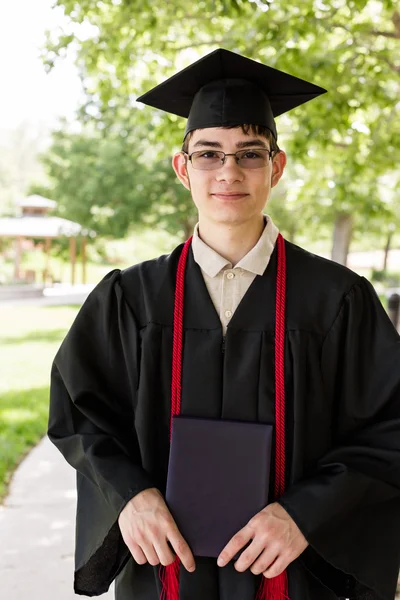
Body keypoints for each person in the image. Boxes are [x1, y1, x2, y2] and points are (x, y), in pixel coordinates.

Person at [48, 48, 400, 600]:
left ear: (276, 167)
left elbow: (390, 426)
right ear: (182, 167)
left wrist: (304, 514)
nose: (228, 171)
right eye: (209, 153)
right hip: (164, 573)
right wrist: (128, 497)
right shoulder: (130, 298)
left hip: (294, 574)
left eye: (249, 153)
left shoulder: (337, 300)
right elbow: (80, 416)